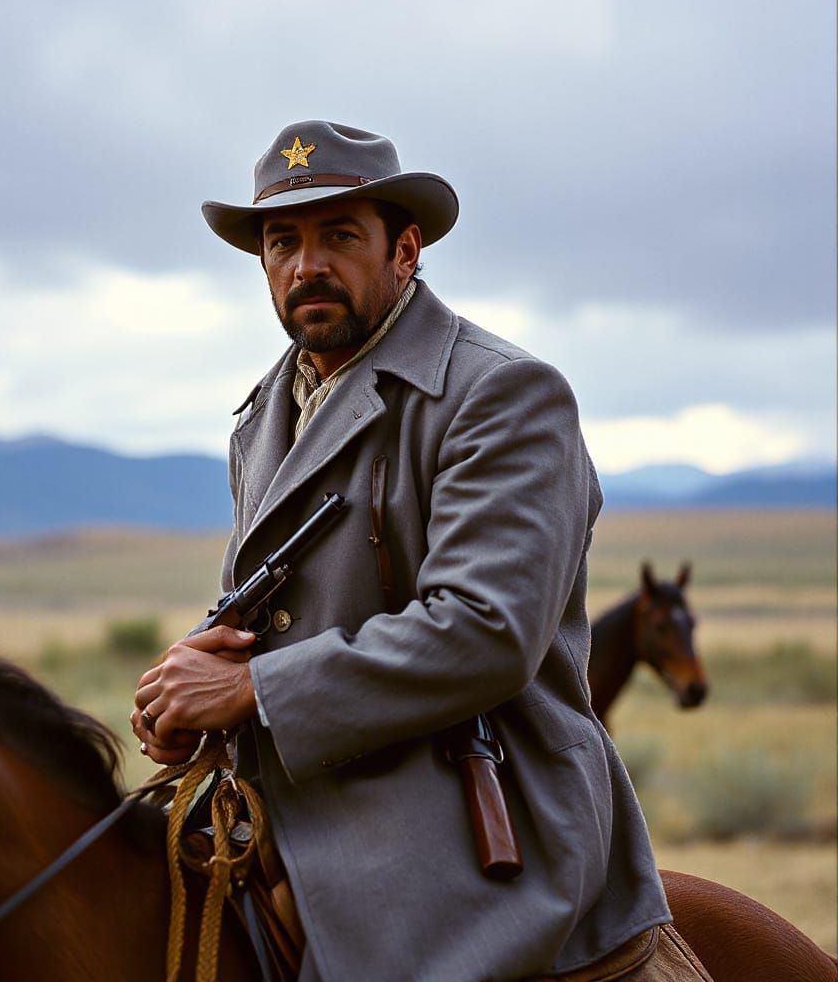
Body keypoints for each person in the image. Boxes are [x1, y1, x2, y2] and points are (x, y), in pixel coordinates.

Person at [131, 121, 673, 981]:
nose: (307, 264)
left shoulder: (501, 393)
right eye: (283, 241)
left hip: (477, 805)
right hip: (303, 789)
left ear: (406, 250)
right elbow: (275, 615)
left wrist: (250, 690)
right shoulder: (262, 416)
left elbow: (484, 629)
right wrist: (196, 686)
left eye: (339, 236)